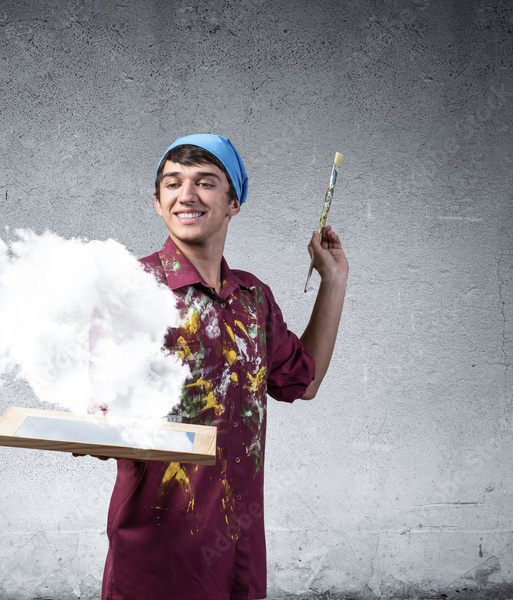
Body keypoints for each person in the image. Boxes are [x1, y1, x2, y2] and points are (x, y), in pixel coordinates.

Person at [100, 134, 349, 600]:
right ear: (158, 203)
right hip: (158, 551)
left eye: (206, 183)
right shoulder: (131, 290)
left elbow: (304, 380)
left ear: (234, 202)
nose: (187, 195)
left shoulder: (254, 299)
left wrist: (332, 282)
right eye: (173, 183)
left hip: (240, 549)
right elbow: (101, 409)